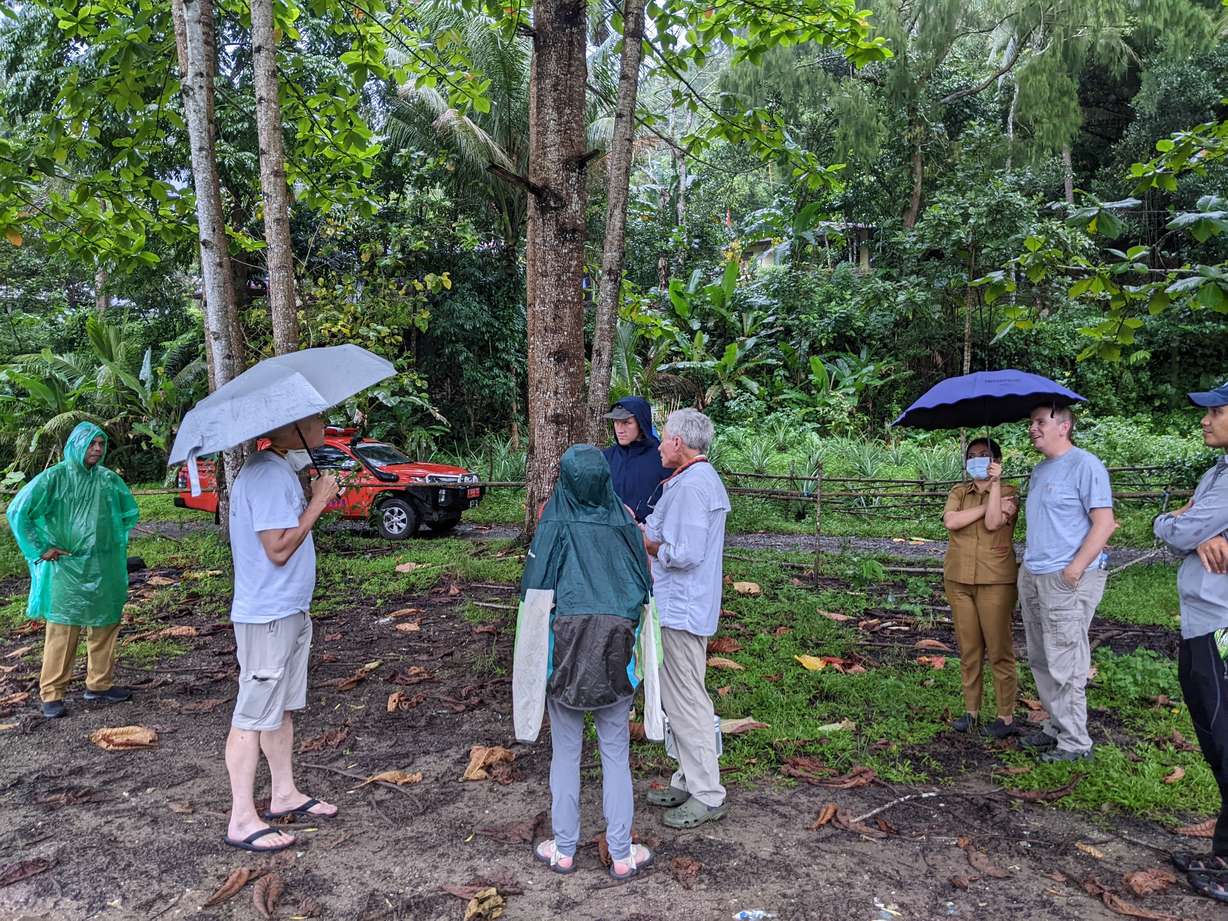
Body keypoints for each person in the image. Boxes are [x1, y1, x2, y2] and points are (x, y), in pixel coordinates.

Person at [520, 445, 655, 880]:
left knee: (566, 752)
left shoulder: (553, 523)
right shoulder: (625, 525)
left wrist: (532, 665)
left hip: (568, 650)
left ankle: (563, 850)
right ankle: (621, 854)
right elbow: (645, 590)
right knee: (615, 753)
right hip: (616, 650)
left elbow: (534, 597)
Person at [223, 414, 341, 853]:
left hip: (288, 610)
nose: (324, 429)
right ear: (294, 429)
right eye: (318, 423)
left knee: (281, 709)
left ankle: (284, 792)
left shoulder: (277, 471)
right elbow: (277, 548)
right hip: (267, 614)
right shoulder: (268, 475)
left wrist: (313, 495)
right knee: (252, 715)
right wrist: (318, 502)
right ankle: (240, 818)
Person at [1153, 379, 1228, 904]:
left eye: (1216, 412)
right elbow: (1180, 526)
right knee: (1214, 734)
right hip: (1200, 619)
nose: (1205, 420)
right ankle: (1222, 850)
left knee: (1225, 737)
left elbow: (1179, 532)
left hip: (1221, 625)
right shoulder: (1215, 473)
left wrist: (1181, 523)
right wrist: (1183, 522)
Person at [6, 422, 139, 719]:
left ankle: (100, 685)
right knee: (64, 630)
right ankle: (52, 693)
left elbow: (128, 513)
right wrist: (40, 548)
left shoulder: (108, 480)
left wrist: (111, 541)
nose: (97, 449)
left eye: (101, 445)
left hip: (103, 565)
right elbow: (17, 511)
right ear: (76, 445)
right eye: (91, 444)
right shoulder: (53, 478)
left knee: (105, 625)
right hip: (67, 566)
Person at [641, 408, 730, 828]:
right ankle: (688, 778)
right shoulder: (688, 481)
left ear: (679, 442)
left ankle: (709, 793)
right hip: (676, 605)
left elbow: (685, 553)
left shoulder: (695, 487)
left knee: (688, 699)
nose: (658, 445)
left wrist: (651, 545)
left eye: (664, 438)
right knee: (677, 697)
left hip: (683, 608)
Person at [1017, 404, 1117, 762]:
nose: (1033, 428)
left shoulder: (1085, 465)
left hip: (1066, 578)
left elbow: (1104, 524)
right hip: (1035, 573)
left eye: (1040, 422)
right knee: (1042, 657)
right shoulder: (1041, 470)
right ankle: (1055, 727)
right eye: (1031, 422)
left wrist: (1073, 570)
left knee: (1066, 659)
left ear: (1065, 426)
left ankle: (1076, 743)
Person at [941, 438, 1021, 738]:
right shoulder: (959, 491)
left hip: (995, 580)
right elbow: (951, 521)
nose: (976, 460)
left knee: (999, 649)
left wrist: (996, 486)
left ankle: (1005, 716)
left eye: (984, 455)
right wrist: (988, 504)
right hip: (958, 579)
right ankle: (971, 711)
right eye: (971, 456)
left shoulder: (1010, 492)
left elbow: (992, 524)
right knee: (969, 649)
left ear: (996, 460)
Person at [603, 396, 672, 523]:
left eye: (627, 422)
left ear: (641, 423)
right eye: (616, 422)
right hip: (609, 536)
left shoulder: (663, 458)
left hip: (648, 537)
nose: (619, 429)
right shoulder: (605, 457)